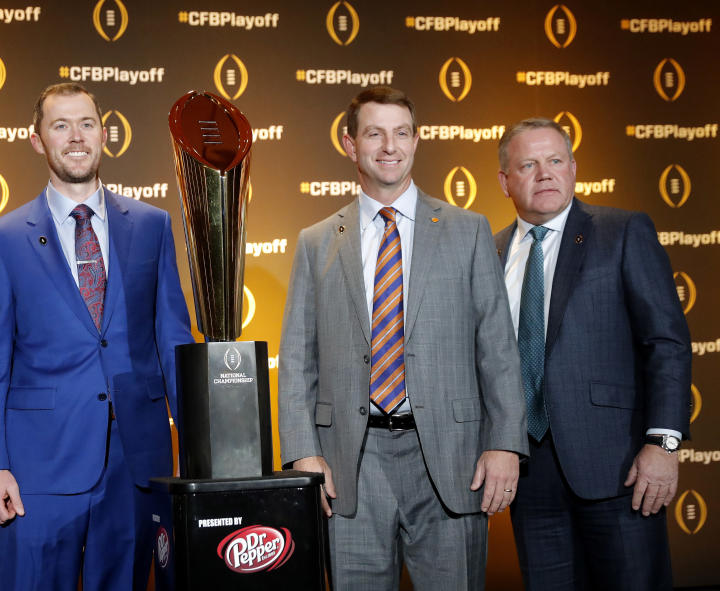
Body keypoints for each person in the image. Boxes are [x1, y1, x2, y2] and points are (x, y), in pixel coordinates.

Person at [278, 86, 527, 590]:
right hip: (351, 462)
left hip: (451, 458)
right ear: (350, 144)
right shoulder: (316, 241)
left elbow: (497, 349)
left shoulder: (469, 230)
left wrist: (504, 443)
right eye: (374, 133)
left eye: (401, 133)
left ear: (417, 141)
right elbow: (298, 359)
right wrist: (304, 454)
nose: (389, 146)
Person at [0, 82, 193, 591]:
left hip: (137, 463)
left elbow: (173, 341)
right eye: (60, 125)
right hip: (38, 469)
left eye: (87, 124)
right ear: (37, 141)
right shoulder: (2, 239)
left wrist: (201, 451)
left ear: (104, 134)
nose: (76, 136)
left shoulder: (152, 224)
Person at [494, 118, 691, 590]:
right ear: (505, 181)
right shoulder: (489, 251)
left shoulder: (621, 231)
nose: (545, 173)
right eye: (528, 164)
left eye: (555, 161)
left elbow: (666, 342)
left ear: (574, 169)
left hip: (620, 468)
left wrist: (663, 443)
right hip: (530, 476)